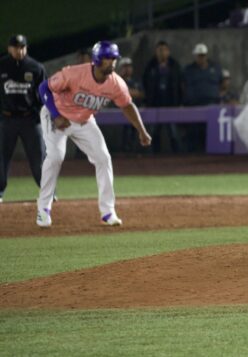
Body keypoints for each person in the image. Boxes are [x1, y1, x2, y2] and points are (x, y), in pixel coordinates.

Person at [36, 41, 152, 227]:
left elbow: (127, 105)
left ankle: (108, 211)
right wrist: (56, 115)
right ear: (97, 59)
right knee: (56, 156)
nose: (112, 62)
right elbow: (44, 87)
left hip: (84, 120)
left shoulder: (116, 83)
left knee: (103, 158)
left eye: (114, 58)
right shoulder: (75, 74)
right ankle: (43, 208)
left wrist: (142, 131)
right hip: (57, 115)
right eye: (108, 58)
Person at [0, 35, 47, 203]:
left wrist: (40, 113)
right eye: (15, 47)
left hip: (30, 120)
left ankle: (48, 191)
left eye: (22, 47)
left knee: (39, 157)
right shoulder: (2, 65)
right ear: (9, 48)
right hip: (6, 119)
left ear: (26, 48)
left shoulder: (36, 67)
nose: (19, 50)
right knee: (1, 158)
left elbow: (44, 94)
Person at [141, 40, 182, 153]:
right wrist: (147, 101)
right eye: (159, 50)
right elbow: (145, 83)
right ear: (156, 52)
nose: (162, 53)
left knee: (173, 132)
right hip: (155, 105)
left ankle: (178, 156)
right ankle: (155, 157)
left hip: (171, 105)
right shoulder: (150, 66)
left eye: (164, 50)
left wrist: (180, 102)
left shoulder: (174, 66)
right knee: (154, 132)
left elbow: (180, 85)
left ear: (168, 52)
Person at [117, 57, 145, 151]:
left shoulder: (136, 80)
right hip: (120, 112)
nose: (127, 69)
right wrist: (132, 92)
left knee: (135, 131)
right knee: (124, 132)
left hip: (136, 110)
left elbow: (141, 94)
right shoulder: (117, 80)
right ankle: (124, 150)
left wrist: (130, 92)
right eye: (124, 67)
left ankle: (135, 150)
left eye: (129, 66)